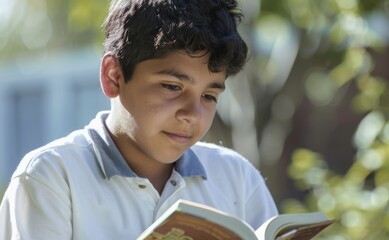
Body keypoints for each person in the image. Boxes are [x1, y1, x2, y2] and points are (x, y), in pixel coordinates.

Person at [0, 0, 278, 239]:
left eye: (209, 96)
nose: (192, 114)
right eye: (172, 86)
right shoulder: (52, 177)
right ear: (114, 76)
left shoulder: (238, 179)